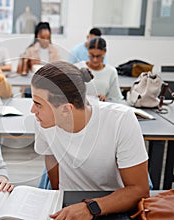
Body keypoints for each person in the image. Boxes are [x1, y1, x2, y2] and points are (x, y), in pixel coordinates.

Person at [31, 61, 149, 219]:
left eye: (38, 104)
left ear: (66, 109)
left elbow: (139, 190)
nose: (33, 110)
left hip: (113, 203)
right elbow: (52, 160)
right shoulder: (44, 122)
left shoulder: (121, 120)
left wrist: (90, 208)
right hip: (71, 201)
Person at [75, 37, 123, 101]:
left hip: (102, 108)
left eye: (98, 56)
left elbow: (116, 99)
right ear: (88, 51)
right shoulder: (77, 68)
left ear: (105, 52)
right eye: (92, 55)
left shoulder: (111, 72)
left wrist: (106, 99)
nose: (95, 60)